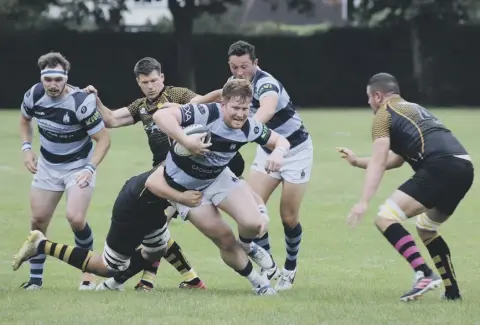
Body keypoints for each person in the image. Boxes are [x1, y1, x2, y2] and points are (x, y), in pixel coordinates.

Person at [100, 78, 291, 295]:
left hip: (218, 178)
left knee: (255, 224)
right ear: (222, 104)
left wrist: (278, 152)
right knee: (225, 239)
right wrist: (186, 141)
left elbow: (281, 141)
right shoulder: (206, 113)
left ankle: (247, 246)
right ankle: (259, 283)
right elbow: (161, 115)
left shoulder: (249, 126)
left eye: (245, 109)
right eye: (235, 108)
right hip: (186, 189)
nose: (240, 114)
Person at [338, 72, 473, 301]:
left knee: (385, 218)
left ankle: (424, 273)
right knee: (426, 228)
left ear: (378, 96)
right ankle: (452, 292)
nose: (369, 103)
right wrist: (356, 161)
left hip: (438, 166)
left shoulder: (383, 115)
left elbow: (380, 161)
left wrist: (364, 202)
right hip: (463, 167)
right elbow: (396, 159)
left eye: (369, 97)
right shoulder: (411, 108)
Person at [84, 57, 211, 291]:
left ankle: (125, 282)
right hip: (158, 172)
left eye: (154, 80)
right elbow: (111, 119)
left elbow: (205, 107)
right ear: (138, 83)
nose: (151, 86)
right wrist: (97, 101)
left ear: (162, 77)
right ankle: (186, 280)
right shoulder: (141, 106)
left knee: (155, 225)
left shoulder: (178, 95)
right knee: (155, 228)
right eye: (145, 82)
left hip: (180, 173)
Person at [210, 40, 313, 291]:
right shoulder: (234, 83)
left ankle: (290, 268)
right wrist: (193, 103)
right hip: (266, 150)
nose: (239, 72)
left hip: (295, 151)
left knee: (288, 217)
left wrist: (245, 128)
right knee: (253, 211)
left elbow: (266, 108)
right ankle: (269, 267)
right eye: (234, 67)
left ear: (256, 63)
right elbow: (219, 96)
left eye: (244, 66)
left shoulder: (266, 84)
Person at [12, 168, 202, 289]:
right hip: (135, 206)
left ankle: (114, 285)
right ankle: (41, 245)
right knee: (109, 267)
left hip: (155, 204)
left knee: (158, 247)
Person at [19, 52, 111, 291]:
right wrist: (27, 149)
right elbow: (24, 120)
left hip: (78, 167)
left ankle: (88, 276)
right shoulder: (34, 95)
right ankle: (35, 281)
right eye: (47, 79)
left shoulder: (81, 103)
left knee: (76, 218)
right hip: (48, 166)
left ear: (66, 78)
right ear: (42, 78)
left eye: (57, 80)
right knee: (38, 220)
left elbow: (103, 140)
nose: (52, 85)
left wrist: (90, 169)